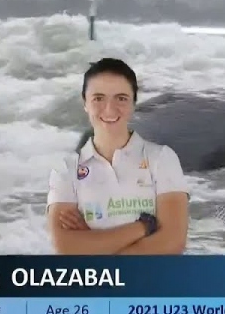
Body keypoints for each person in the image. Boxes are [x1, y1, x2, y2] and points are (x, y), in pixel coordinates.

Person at [46, 58, 190, 255]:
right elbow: (66, 247)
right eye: (98, 98)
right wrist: (143, 227)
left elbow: (172, 243)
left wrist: (94, 249)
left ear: (133, 103)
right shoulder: (66, 169)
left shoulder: (162, 158)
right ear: (85, 103)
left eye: (121, 98)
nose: (109, 109)